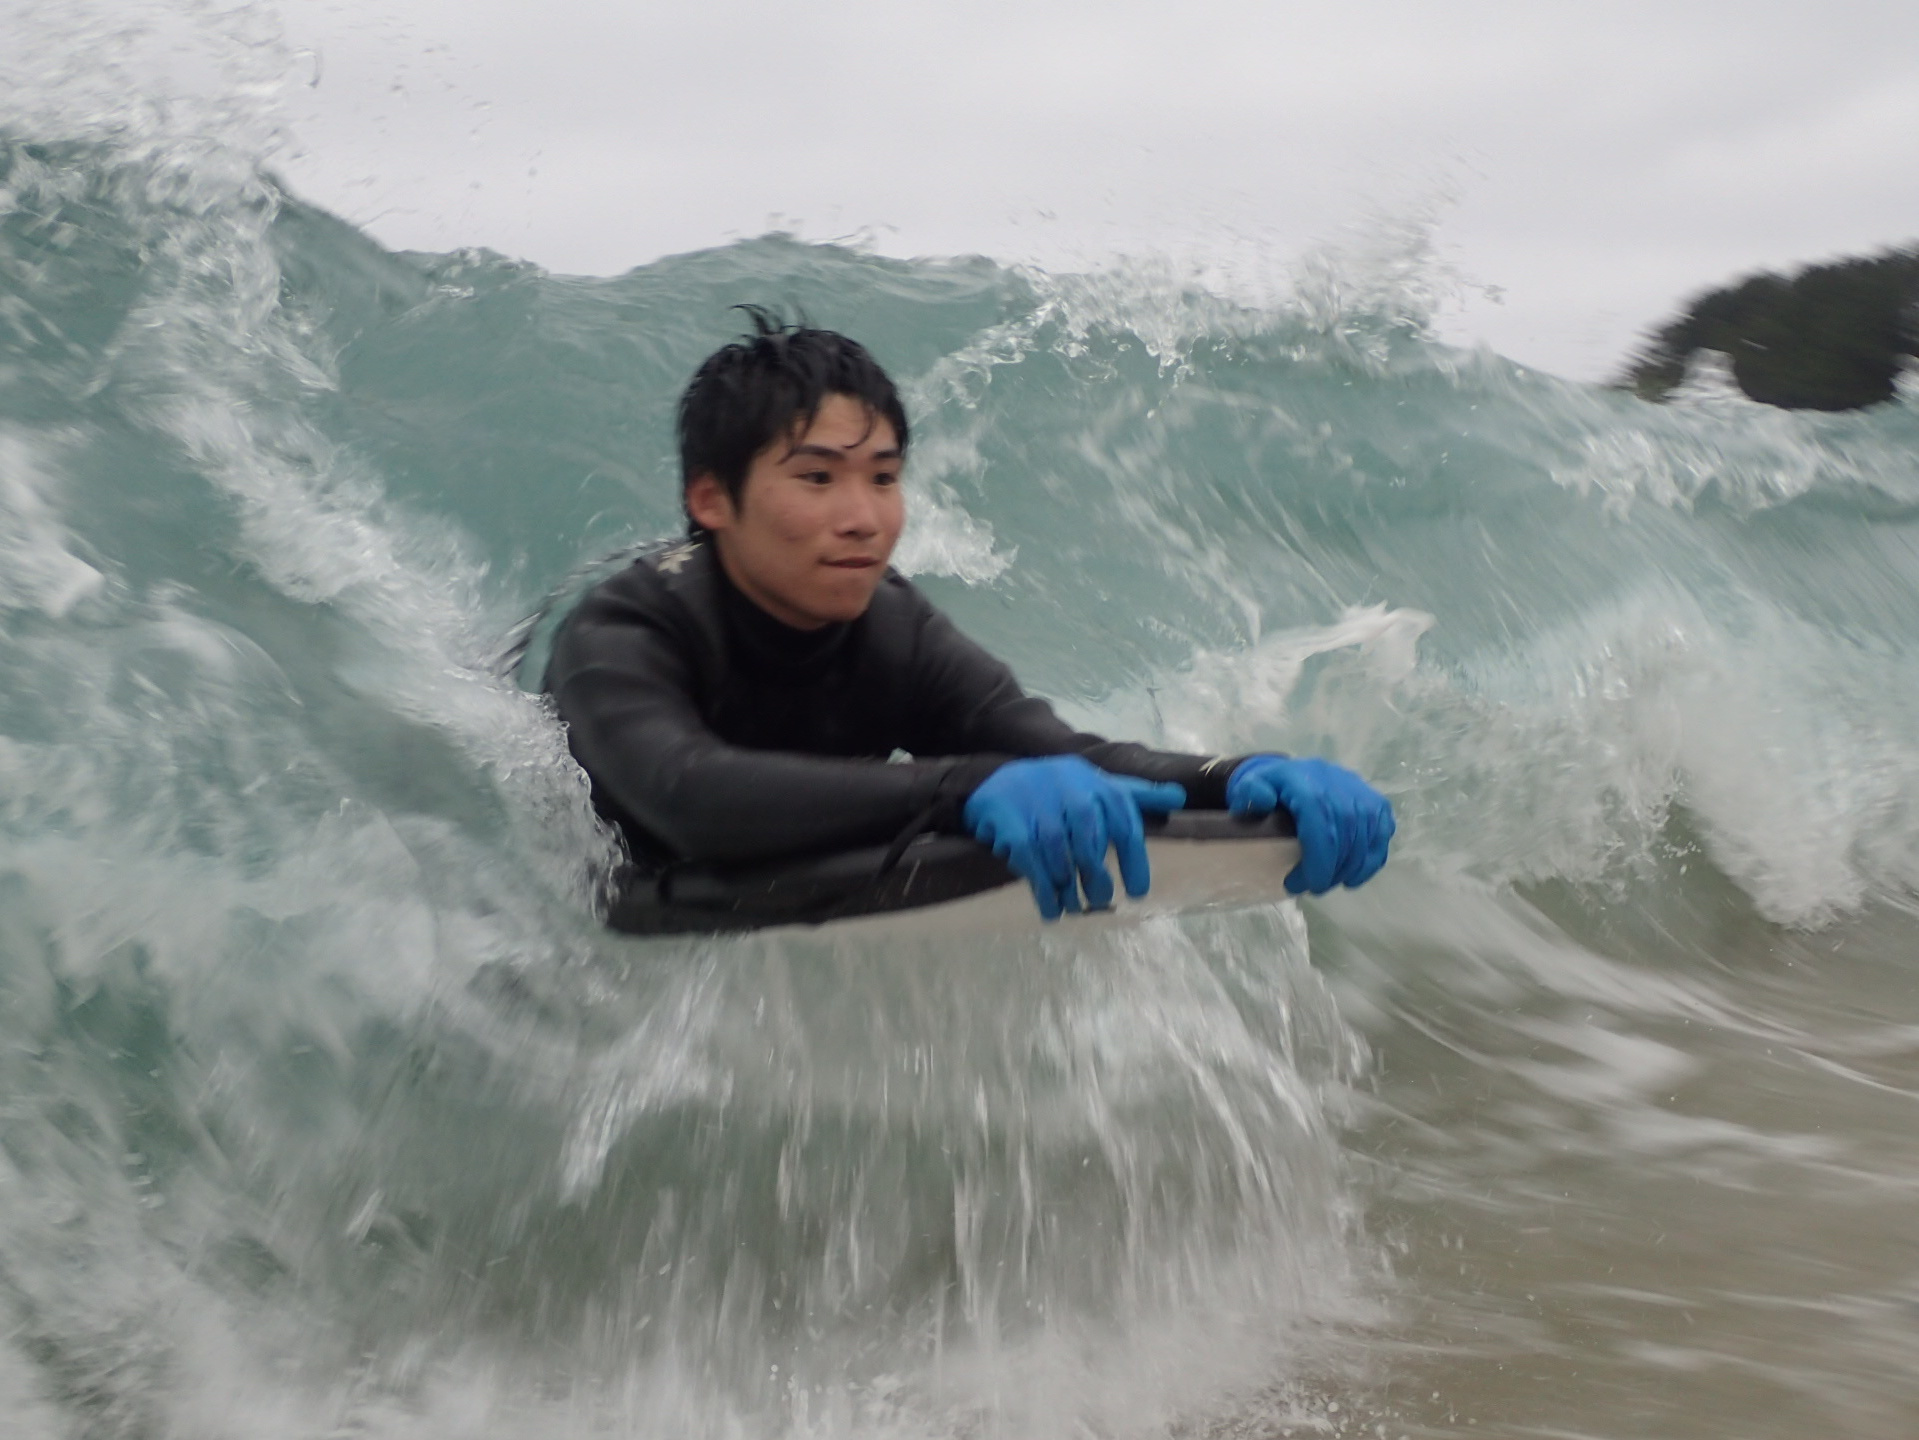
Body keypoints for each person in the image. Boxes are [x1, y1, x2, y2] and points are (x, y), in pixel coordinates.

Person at [545, 311, 1393, 921]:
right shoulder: (623, 634)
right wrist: (961, 785)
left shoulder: (893, 629)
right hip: (594, 887)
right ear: (710, 500)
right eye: (817, 478)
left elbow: (1065, 759)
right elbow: (687, 797)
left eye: (882, 478)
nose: (863, 517)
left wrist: (1233, 777)